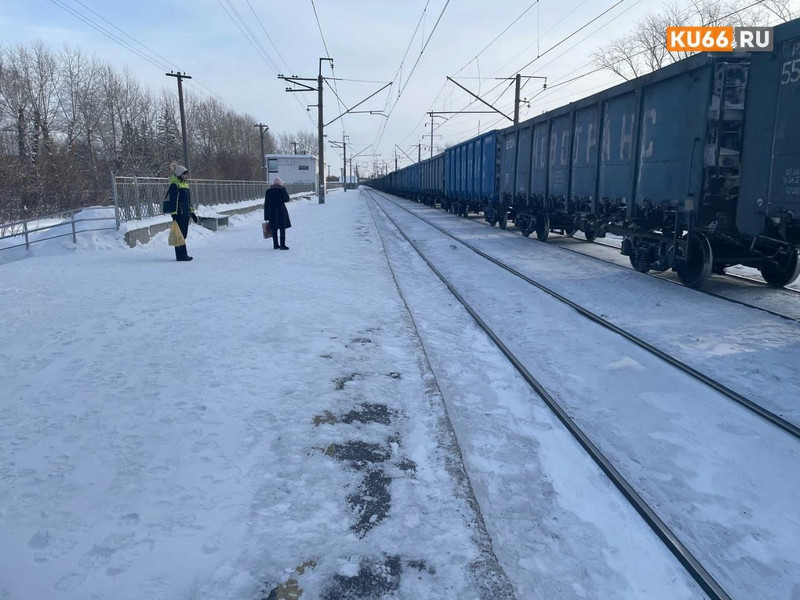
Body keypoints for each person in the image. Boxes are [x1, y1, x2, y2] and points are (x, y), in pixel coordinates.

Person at [164, 162, 198, 261]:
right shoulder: (175, 185)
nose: (186, 176)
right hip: (179, 213)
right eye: (185, 174)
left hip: (185, 213)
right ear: (180, 174)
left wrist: (192, 213)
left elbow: (188, 201)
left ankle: (183, 254)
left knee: (184, 234)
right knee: (180, 235)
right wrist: (174, 214)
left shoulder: (185, 185)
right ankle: (181, 255)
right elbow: (174, 201)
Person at [264, 177, 292, 250]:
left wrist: (266, 216)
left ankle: (275, 245)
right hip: (281, 211)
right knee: (282, 228)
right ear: (280, 183)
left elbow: (266, 204)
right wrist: (283, 190)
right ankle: (282, 245)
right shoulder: (282, 190)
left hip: (271, 212)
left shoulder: (268, 191)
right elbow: (287, 199)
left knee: (274, 228)